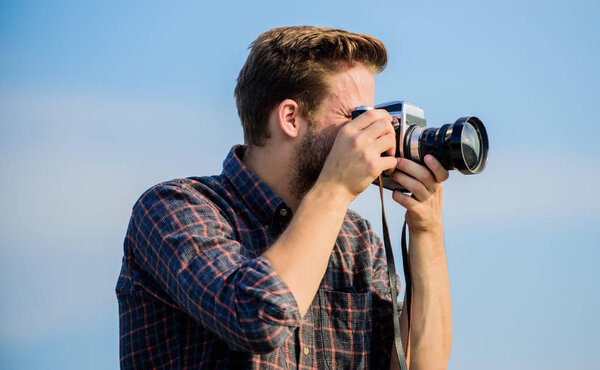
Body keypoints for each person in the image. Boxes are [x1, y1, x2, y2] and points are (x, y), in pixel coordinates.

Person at [116, 26, 452, 369]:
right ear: (290, 118)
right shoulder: (174, 208)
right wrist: (335, 188)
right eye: (355, 116)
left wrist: (426, 229)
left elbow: (418, 365)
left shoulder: (358, 243)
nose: (366, 132)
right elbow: (258, 319)